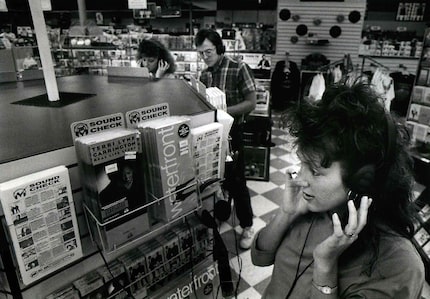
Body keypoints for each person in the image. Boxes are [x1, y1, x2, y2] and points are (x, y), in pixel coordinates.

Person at [251, 81, 425, 298]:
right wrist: (286, 215)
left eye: (315, 171)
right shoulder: (310, 209)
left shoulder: (398, 264)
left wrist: (325, 267)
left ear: (363, 180)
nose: (301, 180)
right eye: (301, 164)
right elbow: (259, 259)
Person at [195, 28, 257, 249]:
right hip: (212, 136)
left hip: (234, 133)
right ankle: (222, 213)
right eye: (201, 53)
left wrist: (223, 111)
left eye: (208, 51)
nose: (205, 57)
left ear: (219, 48)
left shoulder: (238, 68)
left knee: (238, 182)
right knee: (217, 181)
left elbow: (251, 102)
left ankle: (248, 225)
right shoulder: (204, 75)